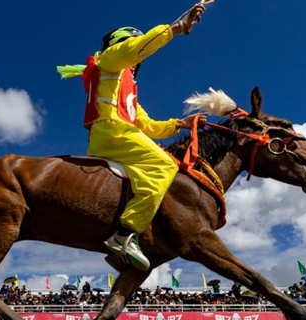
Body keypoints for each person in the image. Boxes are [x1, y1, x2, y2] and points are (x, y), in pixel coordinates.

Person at [57, 3, 209, 271]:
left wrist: (179, 124)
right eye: (136, 51)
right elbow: (135, 48)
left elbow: (147, 125)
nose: (140, 61)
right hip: (113, 131)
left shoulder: (123, 87)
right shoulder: (111, 59)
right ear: (122, 44)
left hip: (110, 136)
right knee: (164, 165)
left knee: (145, 175)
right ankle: (125, 234)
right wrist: (176, 28)